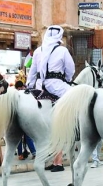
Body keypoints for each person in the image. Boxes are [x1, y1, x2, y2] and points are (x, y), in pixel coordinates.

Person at [27, 25, 74, 172]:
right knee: (76, 99)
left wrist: (29, 86)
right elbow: (70, 70)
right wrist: (67, 79)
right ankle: (75, 129)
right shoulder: (62, 50)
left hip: (39, 88)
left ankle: (52, 159)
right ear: (59, 36)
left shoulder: (37, 51)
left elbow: (32, 72)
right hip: (57, 86)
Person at [13, 81, 36, 160]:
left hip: (19, 119)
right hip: (27, 118)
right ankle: (33, 153)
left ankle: (21, 154)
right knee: (28, 137)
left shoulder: (17, 94)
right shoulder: (27, 93)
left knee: (21, 138)